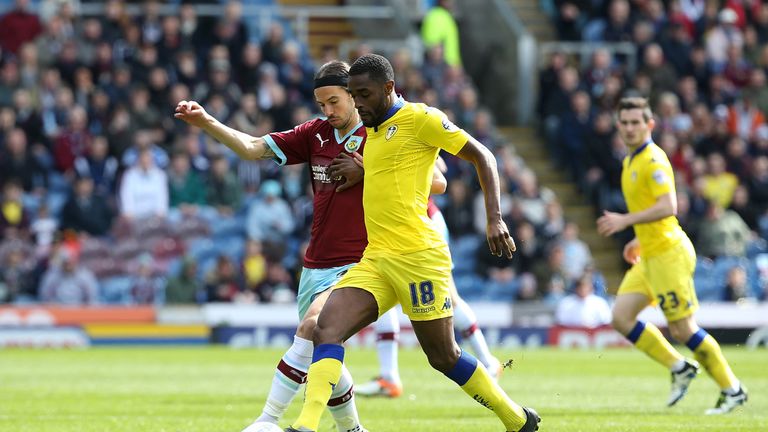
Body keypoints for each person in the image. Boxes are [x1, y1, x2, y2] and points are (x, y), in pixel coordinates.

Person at [285, 53, 540, 432]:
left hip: (418, 258)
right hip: (375, 258)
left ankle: (516, 418)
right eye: (353, 95)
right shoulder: (371, 129)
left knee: (443, 356)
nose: (358, 104)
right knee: (326, 327)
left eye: (365, 95)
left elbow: (482, 156)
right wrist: (364, 169)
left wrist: (495, 218)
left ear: (389, 88)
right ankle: (306, 426)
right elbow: (390, 168)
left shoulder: (422, 119)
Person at [176, 60, 370, 432]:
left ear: (354, 95)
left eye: (334, 102)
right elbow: (252, 148)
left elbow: (437, 182)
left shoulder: (381, 134)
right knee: (321, 352)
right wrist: (206, 123)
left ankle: (267, 421)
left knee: (313, 327)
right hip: (316, 264)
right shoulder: (315, 135)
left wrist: (371, 169)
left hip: (360, 262)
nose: (328, 112)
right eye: (321, 105)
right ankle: (352, 430)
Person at [596, 97, 748, 414]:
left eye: (636, 122)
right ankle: (679, 367)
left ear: (649, 125)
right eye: (624, 122)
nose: (629, 128)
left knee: (683, 329)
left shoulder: (653, 160)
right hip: (649, 253)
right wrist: (637, 239)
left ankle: (732, 389)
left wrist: (625, 222)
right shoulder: (629, 162)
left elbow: (669, 206)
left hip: (668, 254)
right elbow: (647, 209)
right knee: (621, 318)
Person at [356, 160, 503, 398]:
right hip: (391, 227)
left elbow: (439, 173)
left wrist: (377, 170)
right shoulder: (372, 134)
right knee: (381, 292)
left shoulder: (401, 131)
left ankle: (488, 362)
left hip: (422, 224)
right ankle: (389, 377)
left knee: (450, 299)